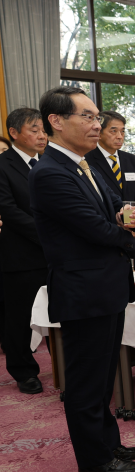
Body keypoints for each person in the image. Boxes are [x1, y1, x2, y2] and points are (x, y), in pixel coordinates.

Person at [29, 85, 135, 472]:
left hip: (106, 286)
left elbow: (114, 205)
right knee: (85, 380)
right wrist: (125, 232)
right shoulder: (50, 173)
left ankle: (107, 442)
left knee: (102, 376)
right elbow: (96, 228)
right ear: (56, 121)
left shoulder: (85, 163)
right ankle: (94, 460)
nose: (97, 125)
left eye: (98, 117)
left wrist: (127, 213)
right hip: (85, 290)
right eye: (88, 117)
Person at [0, 108, 48, 394]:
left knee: (59, 311)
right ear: (14, 133)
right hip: (21, 254)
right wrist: (48, 234)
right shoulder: (3, 165)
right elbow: (8, 209)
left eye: (43, 129)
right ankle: (23, 371)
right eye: (34, 129)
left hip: (55, 253)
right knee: (19, 317)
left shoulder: (49, 163)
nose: (42, 135)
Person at [85, 111, 135, 270]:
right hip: (108, 235)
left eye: (123, 131)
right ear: (99, 132)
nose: (120, 136)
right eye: (113, 131)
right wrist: (119, 224)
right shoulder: (87, 159)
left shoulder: (130, 159)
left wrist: (132, 221)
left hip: (134, 233)